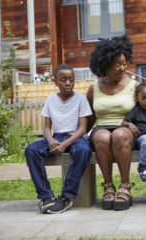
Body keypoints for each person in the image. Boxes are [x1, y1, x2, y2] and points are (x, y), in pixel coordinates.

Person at [25, 64, 92, 214]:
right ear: (55, 81)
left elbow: (82, 129)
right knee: (31, 150)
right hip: (56, 137)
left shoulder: (81, 99)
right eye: (63, 80)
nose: (68, 83)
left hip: (75, 137)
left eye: (71, 79)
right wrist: (51, 141)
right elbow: (47, 128)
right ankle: (46, 197)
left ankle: (67, 196)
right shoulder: (50, 100)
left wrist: (64, 145)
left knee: (84, 150)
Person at [86, 34, 137, 211]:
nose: (123, 68)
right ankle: (108, 186)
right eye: (118, 64)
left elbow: (143, 114)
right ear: (106, 65)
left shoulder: (134, 86)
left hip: (127, 131)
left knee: (119, 134)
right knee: (101, 137)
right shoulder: (94, 89)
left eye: (125, 63)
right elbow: (90, 119)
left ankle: (125, 186)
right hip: (101, 128)